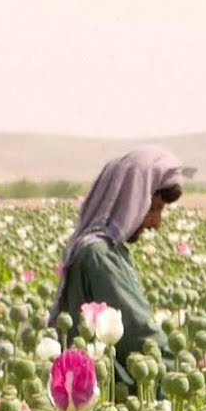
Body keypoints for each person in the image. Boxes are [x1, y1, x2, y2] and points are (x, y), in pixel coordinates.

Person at [49, 145, 184, 393]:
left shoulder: (106, 250)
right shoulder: (99, 256)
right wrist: (184, 375)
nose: (156, 223)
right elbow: (139, 338)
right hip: (114, 399)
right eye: (153, 209)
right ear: (130, 201)